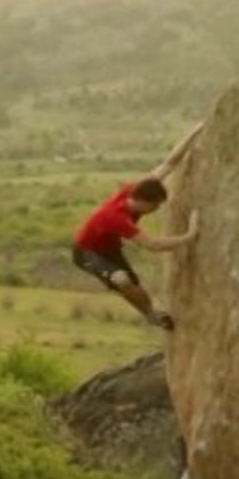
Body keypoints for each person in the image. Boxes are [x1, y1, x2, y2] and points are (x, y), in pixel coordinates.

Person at [72, 124, 205, 329]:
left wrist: (195, 132)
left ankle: (150, 314)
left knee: (135, 287)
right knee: (121, 279)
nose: (156, 209)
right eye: (155, 206)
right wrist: (190, 235)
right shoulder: (116, 217)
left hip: (109, 248)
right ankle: (150, 314)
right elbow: (153, 245)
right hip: (87, 252)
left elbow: (170, 163)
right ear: (144, 202)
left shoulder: (136, 190)